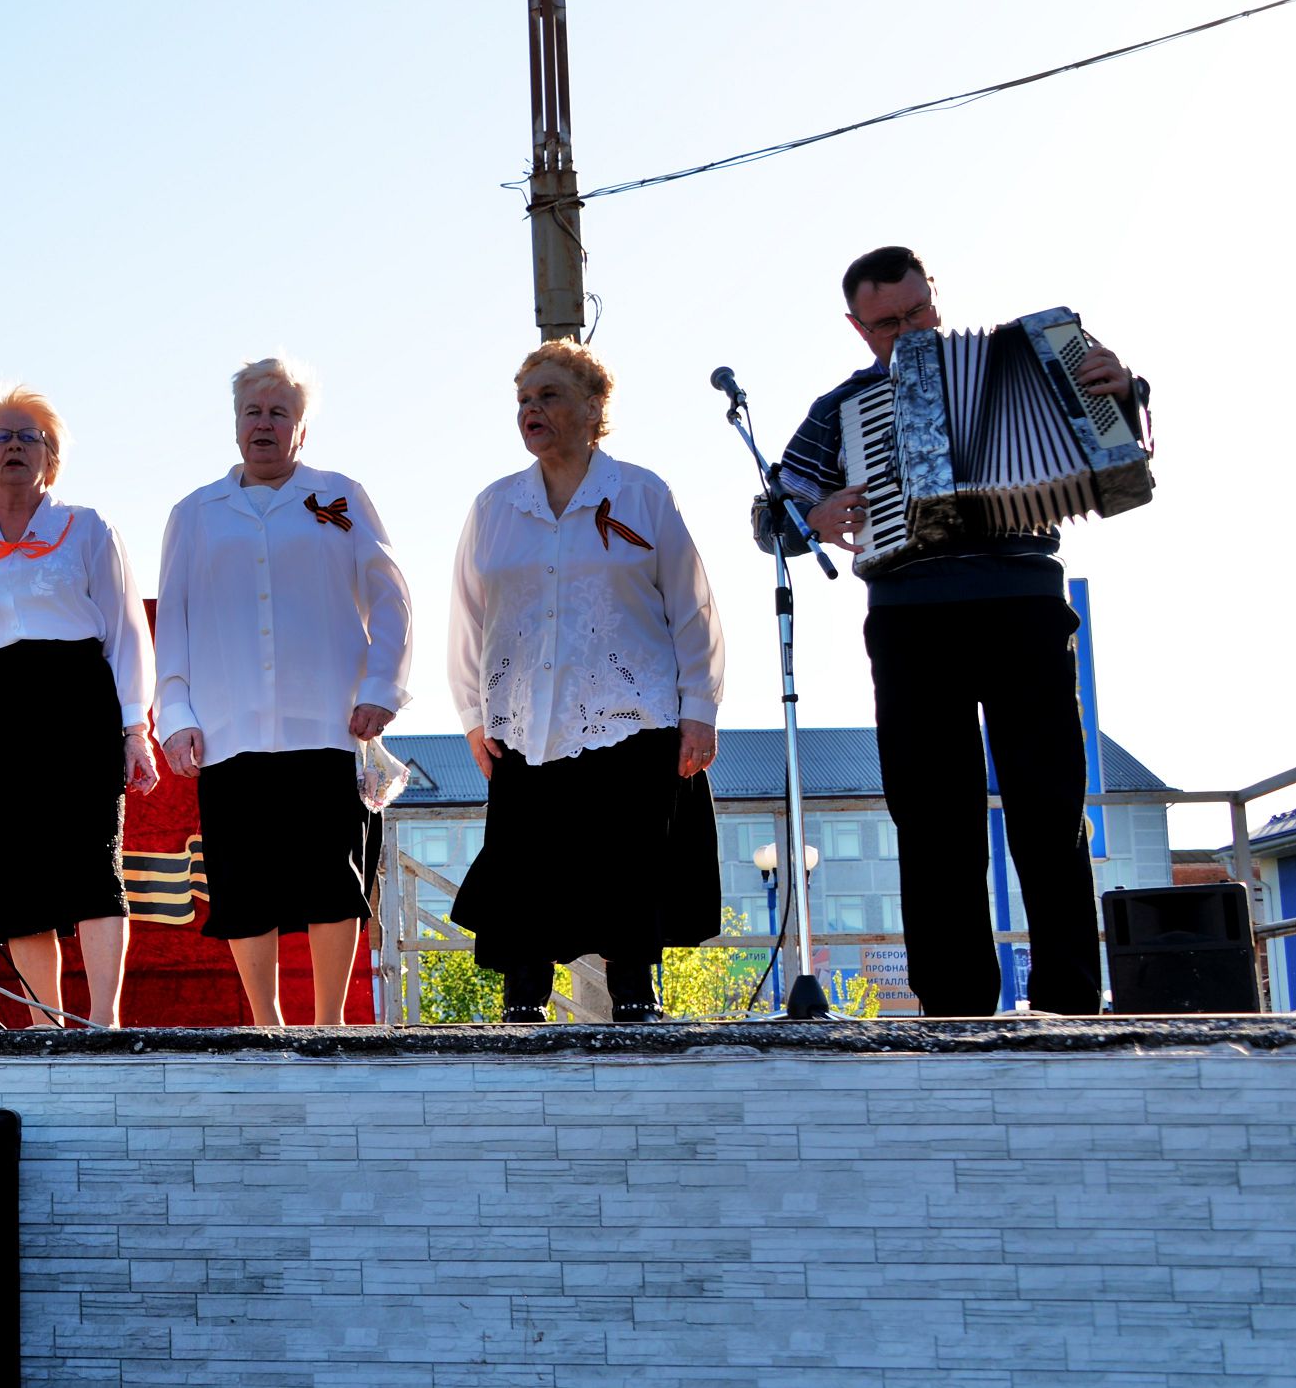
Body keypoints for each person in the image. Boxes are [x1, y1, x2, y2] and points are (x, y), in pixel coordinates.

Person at [778, 247, 1141, 1016]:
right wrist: (810, 515)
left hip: (1025, 606)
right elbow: (774, 511)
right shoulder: (841, 407)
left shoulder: (1042, 362)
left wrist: (1123, 391)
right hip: (910, 623)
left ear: (934, 297)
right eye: (886, 324)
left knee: (1050, 809)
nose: (907, 331)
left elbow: (1117, 449)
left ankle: (1070, 1002)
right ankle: (953, 1008)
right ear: (856, 327)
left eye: (916, 312)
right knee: (932, 819)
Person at [447, 340, 725, 1024]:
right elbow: (467, 619)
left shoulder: (642, 494)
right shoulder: (494, 506)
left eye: (549, 395)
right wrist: (473, 718)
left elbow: (691, 606)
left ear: (595, 406)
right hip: (523, 719)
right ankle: (522, 1003)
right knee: (525, 862)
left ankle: (635, 995)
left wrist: (701, 707)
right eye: (523, 399)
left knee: (628, 860)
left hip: (631, 715)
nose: (531, 410)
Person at [155, 358, 414, 1027]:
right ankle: (267, 1027)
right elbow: (174, 622)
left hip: (328, 723)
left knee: (334, 879)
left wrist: (381, 685)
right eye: (253, 411)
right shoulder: (194, 513)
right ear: (235, 422)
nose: (263, 424)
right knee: (243, 886)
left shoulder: (341, 496)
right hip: (228, 729)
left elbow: (390, 598)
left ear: (301, 429)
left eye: (279, 413)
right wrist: (175, 714)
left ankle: (330, 1025)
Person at [0, 384, 156, 1027]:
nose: (15, 447)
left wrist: (134, 728)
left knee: (92, 862)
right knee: (17, 872)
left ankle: (104, 1021)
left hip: (79, 700)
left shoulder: (88, 528)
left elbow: (126, 632)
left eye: (30, 437)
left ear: (50, 457)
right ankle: (46, 1025)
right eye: (0, 437)